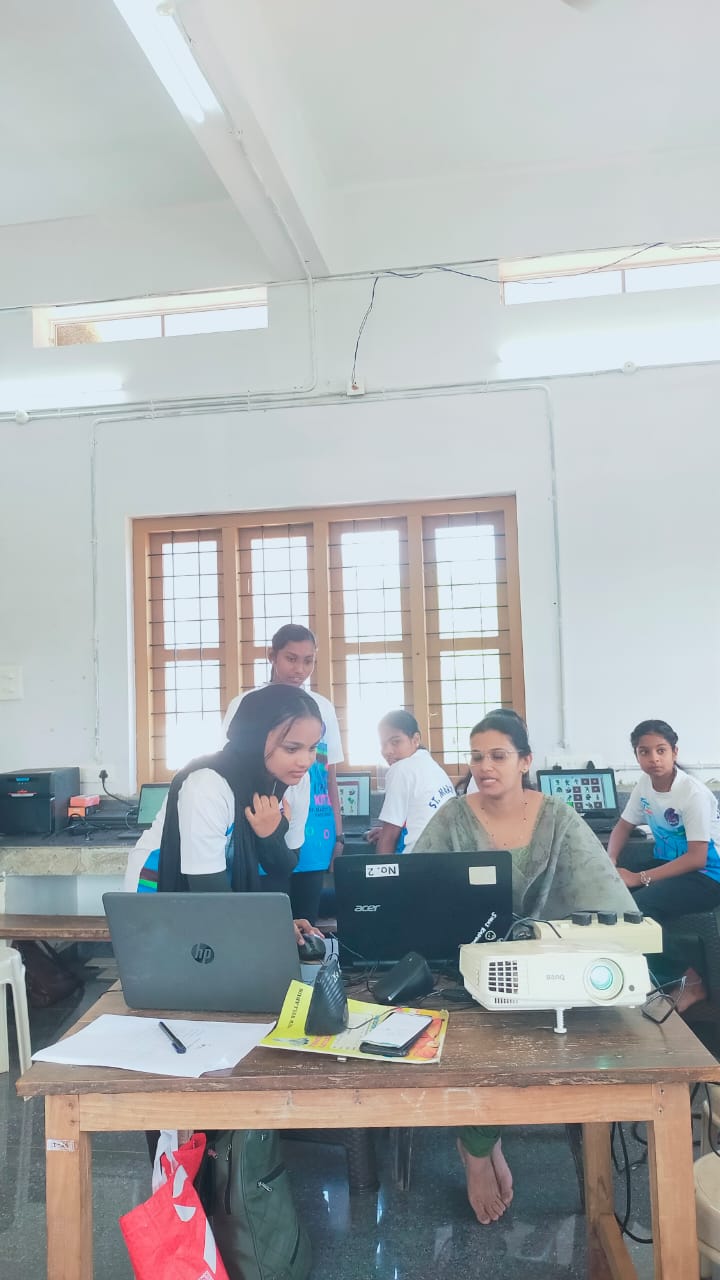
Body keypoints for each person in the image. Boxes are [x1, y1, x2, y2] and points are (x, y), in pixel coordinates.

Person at [412, 708, 635, 1226]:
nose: (484, 767)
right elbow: (413, 886)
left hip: (546, 970)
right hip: (465, 966)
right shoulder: (453, 816)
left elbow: (602, 891)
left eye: (498, 756)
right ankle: (479, 1148)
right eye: (476, 757)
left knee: (531, 1038)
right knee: (472, 1038)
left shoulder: (557, 816)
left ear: (525, 761)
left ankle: (480, 1140)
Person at [125, 683, 324, 946]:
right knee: (172, 961)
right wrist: (270, 924)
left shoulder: (297, 782)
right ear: (254, 739)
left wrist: (271, 836)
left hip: (223, 888)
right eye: (291, 748)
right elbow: (207, 890)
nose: (305, 761)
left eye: (312, 748)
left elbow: (285, 864)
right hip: (164, 882)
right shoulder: (207, 785)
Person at [222, 624, 344, 923]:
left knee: (307, 925)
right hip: (260, 824)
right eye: (291, 658)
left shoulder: (322, 707)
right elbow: (232, 766)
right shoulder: (247, 704)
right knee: (267, 923)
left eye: (308, 660)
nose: (300, 669)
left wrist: (339, 835)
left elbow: (328, 775)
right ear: (272, 656)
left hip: (314, 829)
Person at [607, 718, 720, 1012]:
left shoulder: (693, 793)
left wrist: (639, 877)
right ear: (636, 756)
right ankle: (636, 977)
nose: (653, 758)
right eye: (644, 752)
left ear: (674, 752)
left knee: (638, 909)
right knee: (611, 899)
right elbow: (623, 826)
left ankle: (690, 981)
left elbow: (697, 857)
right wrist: (610, 861)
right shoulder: (645, 784)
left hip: (708, 874)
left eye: (661, 750)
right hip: (671, 863)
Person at [366, 710, 455, 853]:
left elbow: (389, 838)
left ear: (415, 739)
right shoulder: (432, 766)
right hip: (446, 856)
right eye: (383, 744)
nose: (387, 751)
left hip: (417, 859)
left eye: (395, 742)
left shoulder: (401, 769)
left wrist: (380, 868)